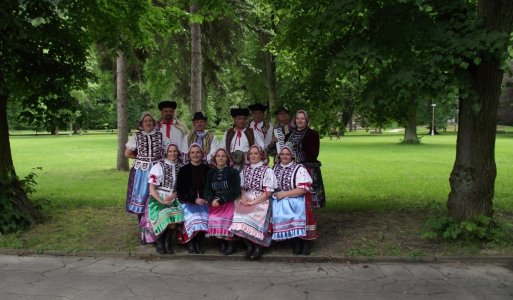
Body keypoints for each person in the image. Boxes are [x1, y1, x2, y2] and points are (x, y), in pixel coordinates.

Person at [229, 145, 276, 260]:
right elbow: (242, 188)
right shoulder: (245, 170)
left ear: (261, 155)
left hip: (262, 199)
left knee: (254, 216)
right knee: (238, 216)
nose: (253, 156)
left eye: (256, 153)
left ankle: (258, 246)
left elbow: (268, 193)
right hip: (247, 197)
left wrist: (253, 202)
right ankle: (249, 245)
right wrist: (244, 197)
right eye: (251, 154)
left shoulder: (267, 170)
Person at [125, 113, 164, 243]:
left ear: (154, 122)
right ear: (141, 124)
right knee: (142, 201)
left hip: (157, 170)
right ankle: (143, 232)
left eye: (150, 121)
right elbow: (127, 153)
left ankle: (157, 231)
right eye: (145, 121)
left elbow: (167, 151)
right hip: (141, 171)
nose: (148, 123)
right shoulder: (136, 136)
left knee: (156, 199)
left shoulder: (161, 135)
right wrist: (141, 157)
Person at [271, 146, 315, 255]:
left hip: (296, 197)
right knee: (277, 211)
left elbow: (303, 189)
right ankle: (295, 242)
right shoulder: (274, 168)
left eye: (287, 154)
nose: (285, 156)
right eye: (282, 154)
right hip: (279, 199)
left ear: (292, 156)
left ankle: (305, 242)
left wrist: (285, 194)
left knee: (297, 213)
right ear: (279, 156)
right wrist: (277, 195)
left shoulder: (299, 168)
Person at [146, 143, 184, 254]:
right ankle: (159, 242)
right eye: (170, 151)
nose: (173, 153)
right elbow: (152, 188)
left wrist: (175, 194)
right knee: (165, 215)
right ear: (166, 152)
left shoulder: (180, 167)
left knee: (173, 220)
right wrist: (160, 200)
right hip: (158, 197)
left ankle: (167, 242)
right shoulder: (158, 167)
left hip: (173, 197)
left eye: (175, 151)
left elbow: (182, 187)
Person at [285, 110, 325, 209]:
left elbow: (313, 154)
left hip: (308, 169)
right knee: (294, 199)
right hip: (292, 170)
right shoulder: (288, 135)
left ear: (307, 120)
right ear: (295, 120)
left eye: (302, 118)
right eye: (298, 118)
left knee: (309, 201)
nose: (300, 120)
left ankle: (310, 222)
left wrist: (294, 157)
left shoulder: (313, 134)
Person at [204, 148, 240, 255]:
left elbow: (236, 190)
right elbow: (207, 190)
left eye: (223, 156)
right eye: (218, 156)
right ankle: (221, 242)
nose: (220, 158)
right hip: (214, 201)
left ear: (227, 159)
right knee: (212, 217)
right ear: (215, 158)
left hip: (228, 201)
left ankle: (230, 243)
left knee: (228, 217)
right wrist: (211, 200)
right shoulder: (210, 173)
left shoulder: (233, 172)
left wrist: (222, 200)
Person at [176, 143, 211, 254]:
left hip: (204, 202)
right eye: (192, 152)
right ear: (189, 155)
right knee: (192, 216)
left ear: (202, 154)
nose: (195, 155)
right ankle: (191, 243)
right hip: (188, 202)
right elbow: (180, 191)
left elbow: (211, 188)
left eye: (198, 152)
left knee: (205, 216)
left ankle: (198, 243)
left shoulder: (207, 169)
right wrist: (193, 199)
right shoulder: (183, 170)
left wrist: (206, 199)